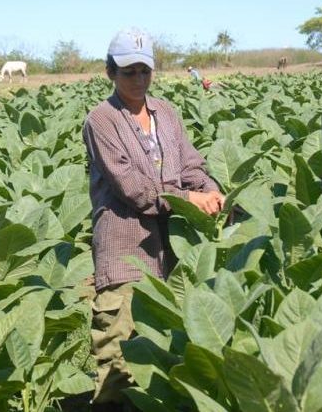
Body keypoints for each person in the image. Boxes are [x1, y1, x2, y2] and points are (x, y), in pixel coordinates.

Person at [83, 28, 224, 409]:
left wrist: (212, 191)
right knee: (118, 364)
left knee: (166, 358)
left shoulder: (166, 113)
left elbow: (192, 165)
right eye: (129, 71)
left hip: (173, 254)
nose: (138, 79)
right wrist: (188, 198)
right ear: (111, 72)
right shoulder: (102, 120)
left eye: (145, 70)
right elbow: (136, 189)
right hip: (125, 253)